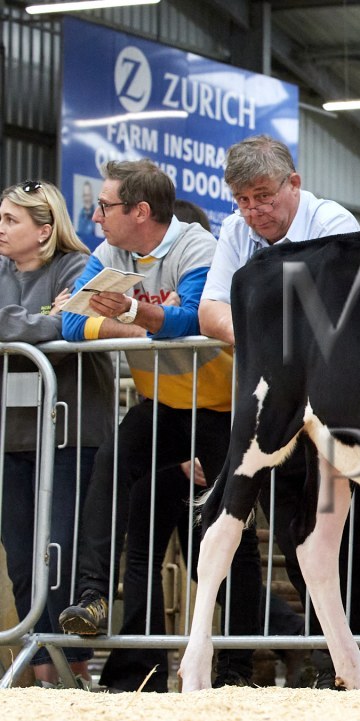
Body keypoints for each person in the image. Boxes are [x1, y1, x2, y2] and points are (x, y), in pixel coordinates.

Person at [56, 159, 260, 691]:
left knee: (231, 531)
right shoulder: (108, 253)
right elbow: (72, 323)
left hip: (221, 407)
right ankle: (92, 598)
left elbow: (192, 318)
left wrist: (131, 314)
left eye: (105, 206)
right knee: (110, 467)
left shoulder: (197, 247)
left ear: (140, 211)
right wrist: (141, 320)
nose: (95, 216)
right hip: (164, 403)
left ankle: (239, 666)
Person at [198, 134, 360, 689]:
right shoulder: (234, 232)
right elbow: (210, 312)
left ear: (294, 184)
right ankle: (337, 664)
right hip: (277, 413)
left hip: (339, 415)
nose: (253, 211)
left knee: (344, 545)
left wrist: (268, 344)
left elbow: (345, 312)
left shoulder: (332, 224)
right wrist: (272, 347)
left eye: (263, 196)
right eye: (242, 200)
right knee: (293, 537)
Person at [0, 180, 115, 688]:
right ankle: (44, 673)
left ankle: (74, 670)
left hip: (72, 432)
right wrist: (48, 317)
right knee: (22, 557)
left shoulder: (78, 266)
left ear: (44, 230)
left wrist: (37, 323)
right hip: (13, 437)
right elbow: (47, 323)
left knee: (60, 551)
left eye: (11, 220)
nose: (1, 228)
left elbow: (78, 321)